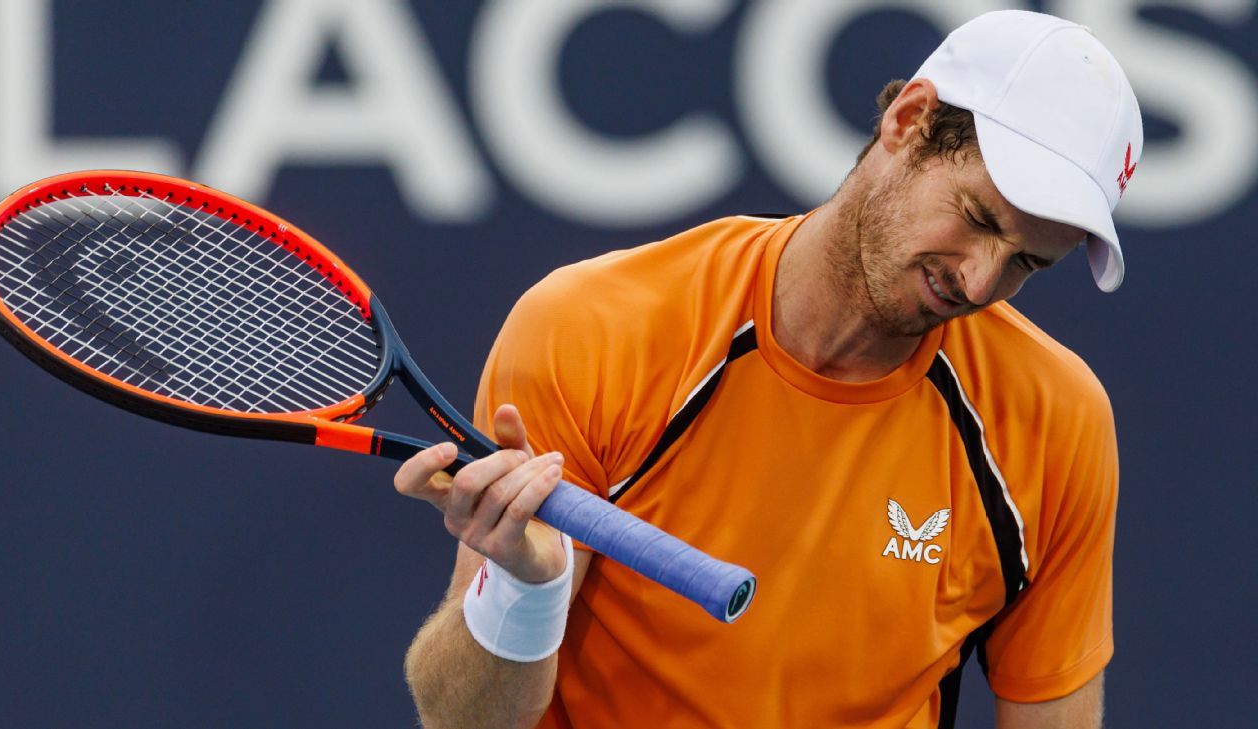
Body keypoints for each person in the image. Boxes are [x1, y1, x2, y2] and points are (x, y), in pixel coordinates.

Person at [395, 10, 1139, 729]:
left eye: (1026, 264)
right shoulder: (594, 328)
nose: (979, 281)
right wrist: (525, 591)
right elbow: (465, 721)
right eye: (977, 218)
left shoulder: (1057, 417)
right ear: (909, 119)